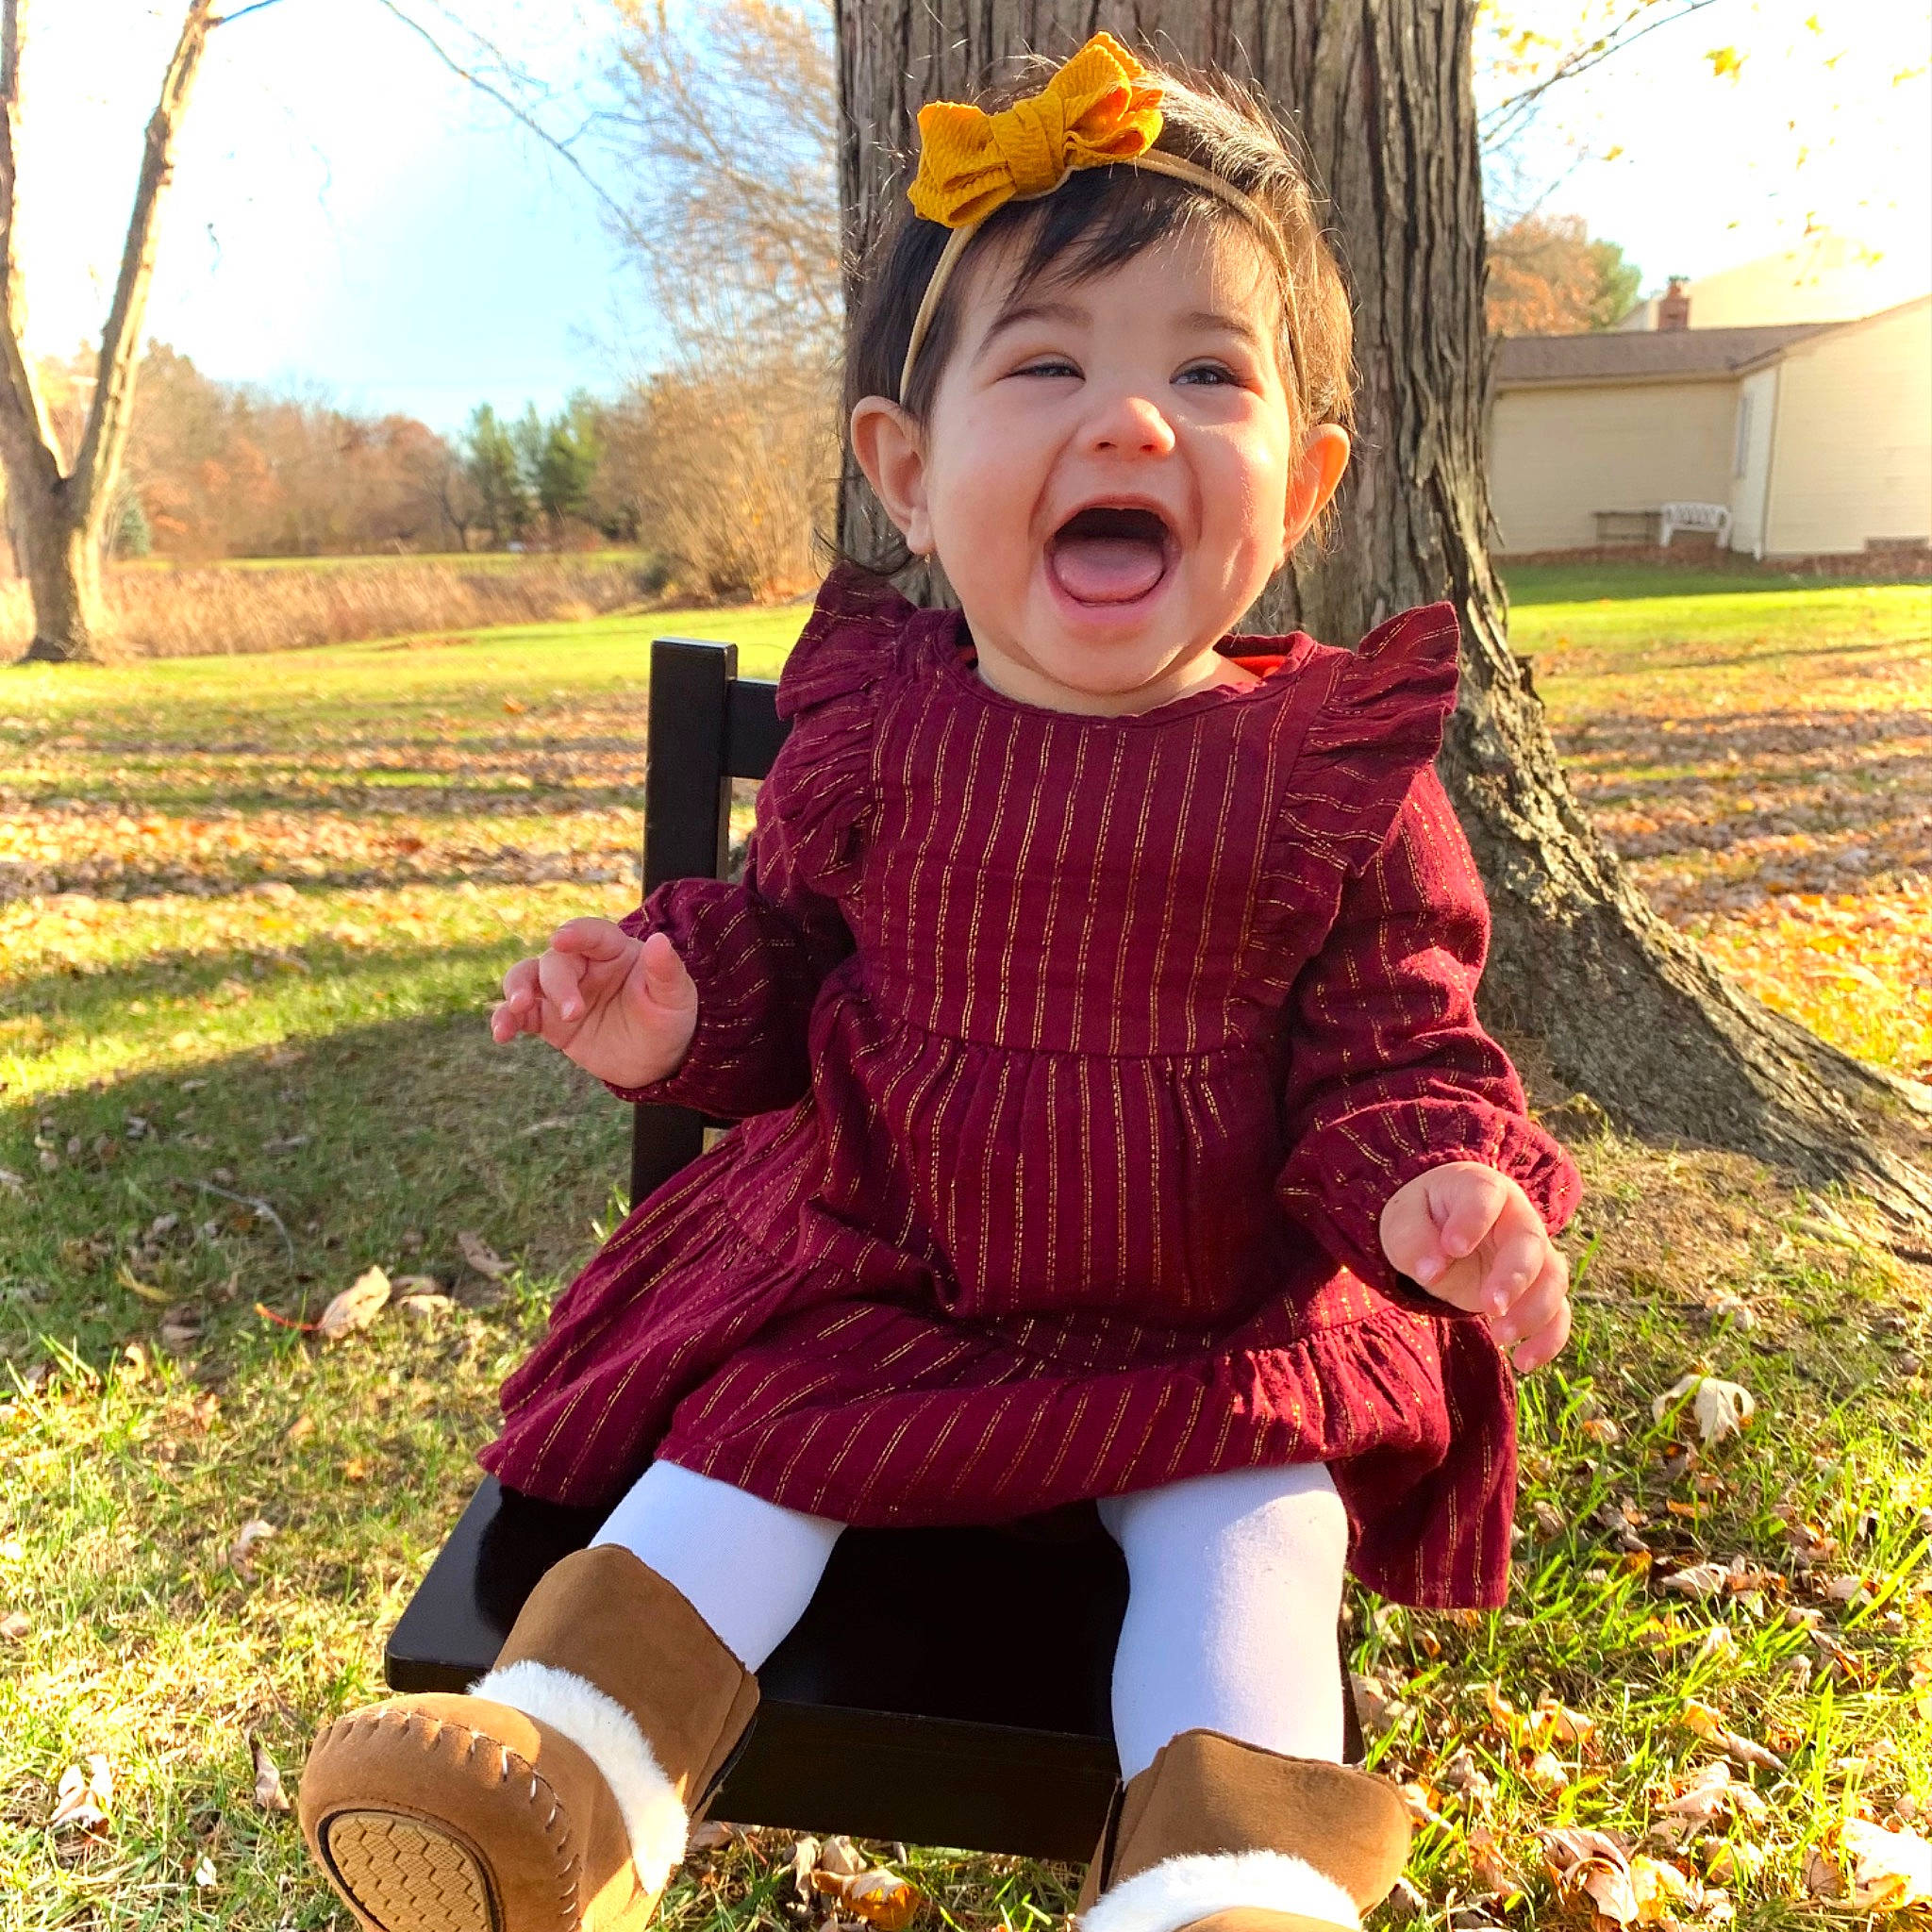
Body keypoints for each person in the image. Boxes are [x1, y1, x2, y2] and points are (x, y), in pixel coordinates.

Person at [299, 35, 1579, 1932]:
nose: (1130, 423)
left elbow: (1399, 1037)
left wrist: (1432, 1188)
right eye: (1048, 364)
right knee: (736, 1460)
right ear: (906, 472)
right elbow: (789, 951)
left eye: (1204, 374)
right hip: (887, 1268)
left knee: (1259, 1527)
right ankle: (555, 1778)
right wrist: (672, 1006)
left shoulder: (1331, 779)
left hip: (1206, 1327)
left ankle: (1226, 1885)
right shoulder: (879, 737)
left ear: (1299, 487)